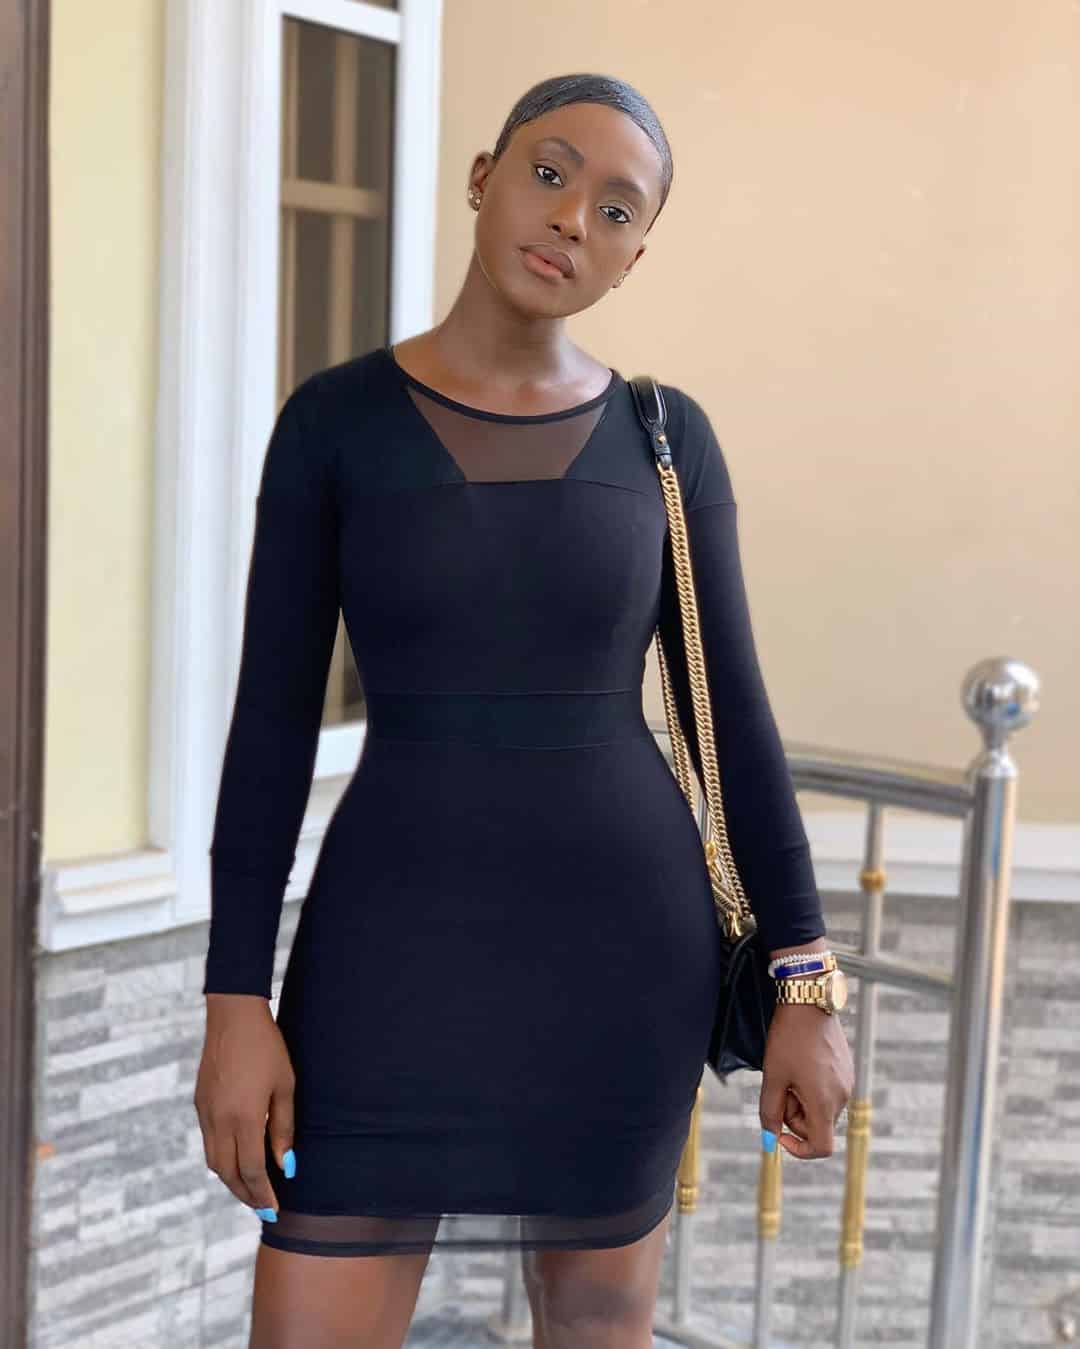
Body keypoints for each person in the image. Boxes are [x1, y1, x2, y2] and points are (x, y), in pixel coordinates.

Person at [193, 71, 854, 1349]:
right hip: (386, 954)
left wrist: (807, 986)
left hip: (623, 959)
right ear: (483, 176)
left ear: (635, 255)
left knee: (598, 1323)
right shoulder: (333, 424)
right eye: (550, 174)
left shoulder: (668, 439)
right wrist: (235, 1001)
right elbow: (269, 728)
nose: (570, 220)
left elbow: (735, 723)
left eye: (616, 209)